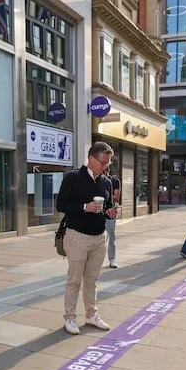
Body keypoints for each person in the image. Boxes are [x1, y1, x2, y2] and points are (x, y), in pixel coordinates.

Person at [56, 142, 118, 335]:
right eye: (103, 162)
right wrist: (85, 207)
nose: (105, 166)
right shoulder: (73, 177)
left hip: (99, 237)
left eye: (108, 163)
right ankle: (70, 317)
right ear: (91, 158)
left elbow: (107, 207)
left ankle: (92, 315)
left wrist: (110, 212)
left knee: (92, 279)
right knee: (74, 280)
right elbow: (61, 205)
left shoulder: (106, 182)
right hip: (77, 236)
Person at [104, 169, 121, 269]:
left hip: (110, 212)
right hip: (97, 212)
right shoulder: (95, 180)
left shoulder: (114, 181)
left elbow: (116, 197)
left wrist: (103, 195)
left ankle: (112, 259)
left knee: (111, 237)